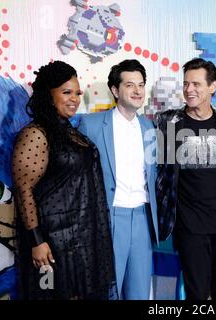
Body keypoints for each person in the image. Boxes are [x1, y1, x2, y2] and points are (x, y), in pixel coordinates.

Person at [12, 61, 116, 299]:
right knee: (51, 293)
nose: (75, 99)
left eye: (77, 93)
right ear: (49, 95)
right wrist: (37, 241)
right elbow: (23, 190)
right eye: (66, 92)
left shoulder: (70, 131)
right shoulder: (36, 134)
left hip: (83, 239)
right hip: (52, 244)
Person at [154, 58, 216, 300]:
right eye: (185, 84)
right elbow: (161, 172)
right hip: (190, 226)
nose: (189, 90)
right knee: (196, 293)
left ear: (212, 86)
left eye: (196, 84)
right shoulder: (167, 121)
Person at [78, 59, 158, 300]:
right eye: (130, 85)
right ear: (115, 90)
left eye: (141, 85)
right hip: (109, 217)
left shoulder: (150, 127)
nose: (137, 91)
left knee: (139, 293)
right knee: (106, 292)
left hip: (143, 218)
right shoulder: (90, 125)